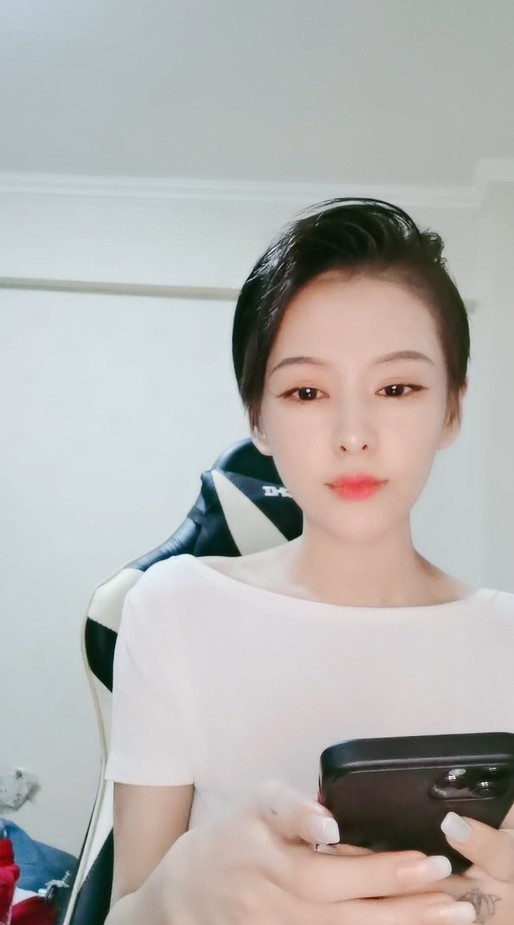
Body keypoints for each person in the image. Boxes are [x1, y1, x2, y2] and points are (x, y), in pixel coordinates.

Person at [104, 198, 514, 925]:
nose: (353, 434)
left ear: (452, 408)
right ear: (258, 419)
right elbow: (124, 909)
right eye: (306, 391)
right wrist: (180, 890)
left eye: (396, 388)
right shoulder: (174, 608)